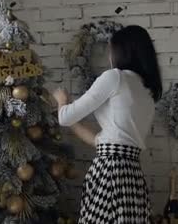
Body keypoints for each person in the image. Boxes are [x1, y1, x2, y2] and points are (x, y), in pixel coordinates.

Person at [53, 25, 162, 224]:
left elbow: (65, 117)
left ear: (121, 51)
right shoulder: (147, 92)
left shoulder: (115, 77)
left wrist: (61, 101)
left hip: (109, 171)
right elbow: (104, 141)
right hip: (132, 174)